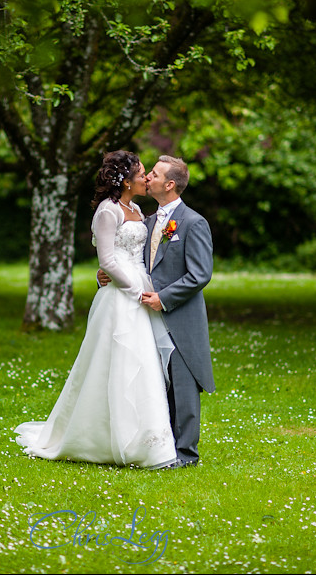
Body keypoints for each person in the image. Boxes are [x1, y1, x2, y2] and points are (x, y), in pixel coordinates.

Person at [13, 150, 177, 469]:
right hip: (120, 297)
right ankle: (102, 437)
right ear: (126, 179)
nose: (146, 178)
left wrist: (145, 286)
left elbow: (138, 253)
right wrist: (132, 289)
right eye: (142, 172)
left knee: (142, 362)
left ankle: (148, 441)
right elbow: (108, 260)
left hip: (140, 290)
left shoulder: (136, 208)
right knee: (113, 361)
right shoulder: (108, 210)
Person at [100, 155, 214, 468]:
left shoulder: (193, 223)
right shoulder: (146, 220)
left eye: (154, 173)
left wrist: (163, 298)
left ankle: (187, 454)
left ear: (170, 184)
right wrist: (107, 273)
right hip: (144, 313)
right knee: (157, 381)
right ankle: (161, 446)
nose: (147, 176)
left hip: (178, 313)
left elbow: (200, 274)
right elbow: (129, 255)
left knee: (183, 381)